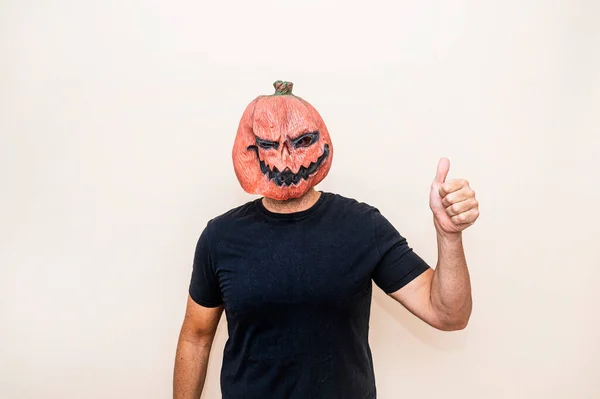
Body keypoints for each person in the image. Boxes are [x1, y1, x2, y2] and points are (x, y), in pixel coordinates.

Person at [173, 81, 479, 399]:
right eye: (269, 145)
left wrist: (449, 236)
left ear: (320, 142)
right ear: (250, 149)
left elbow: (448, 314)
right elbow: (195, 336)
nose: (287, 160)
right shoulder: (219, 238)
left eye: (301, 141)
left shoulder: (362, 226)